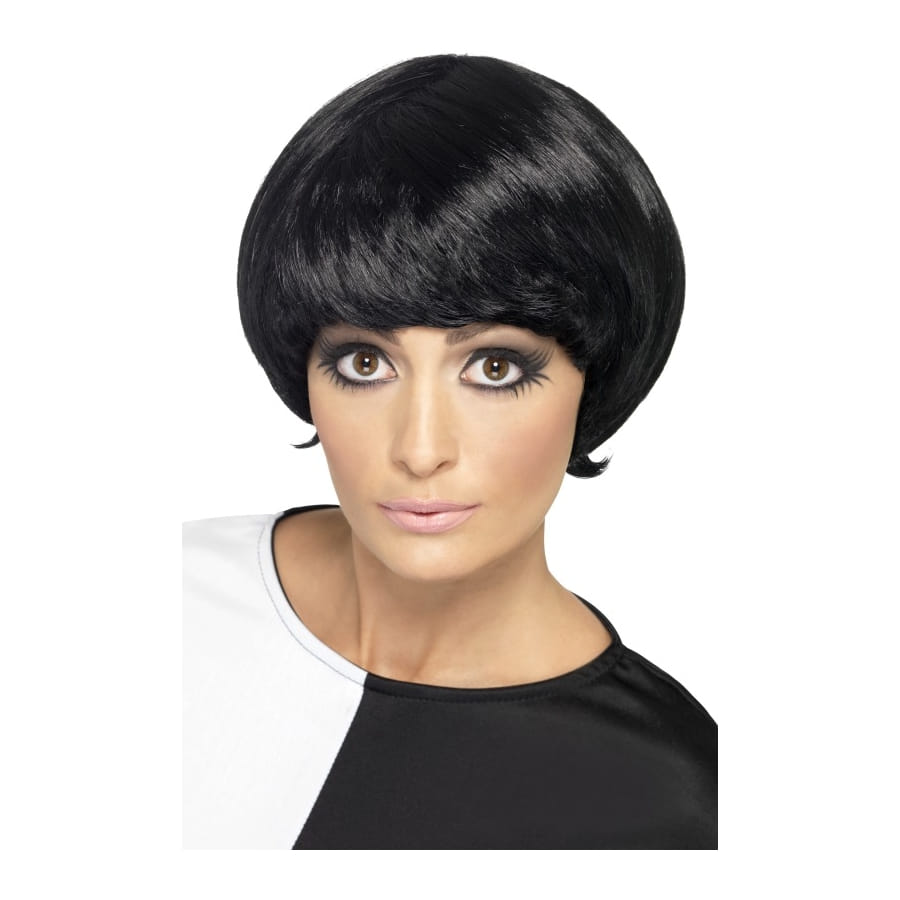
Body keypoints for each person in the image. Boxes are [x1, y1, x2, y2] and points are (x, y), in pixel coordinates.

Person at [183, 53, 717, 849]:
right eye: (366, 363)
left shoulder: (675, 799)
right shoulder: (174, 595)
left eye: (494, 368)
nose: (421, 449)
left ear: (595, 378)